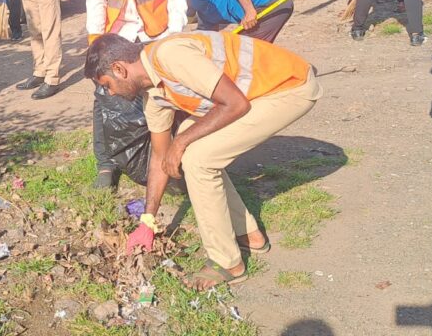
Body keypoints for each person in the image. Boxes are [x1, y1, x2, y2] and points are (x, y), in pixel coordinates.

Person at [85, 31, 322, 289]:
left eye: (107, 85)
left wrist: (180, 142)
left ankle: (227, 263)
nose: (109, 93)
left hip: (288, 87)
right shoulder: (153, 95)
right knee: (188, 151)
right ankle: (248, 234)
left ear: (119, 69)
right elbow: (160, 157)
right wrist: (147, 222)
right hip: (250, 94)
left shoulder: (170, 55)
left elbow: (235, 104)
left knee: (198, 159)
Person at [82, 0, 188, 189]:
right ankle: (106, 164)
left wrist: (173, 35)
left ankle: (171, 162)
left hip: (157, 33)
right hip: (117, 34)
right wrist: (95, 41)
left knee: (163, 99)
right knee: (105, 97)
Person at [188, 0, 292, 42]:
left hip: (272, 2)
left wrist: (249, 11)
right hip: (265, 7)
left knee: (243, 49)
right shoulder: (203, 13)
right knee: (242, 50)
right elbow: (211, 38)